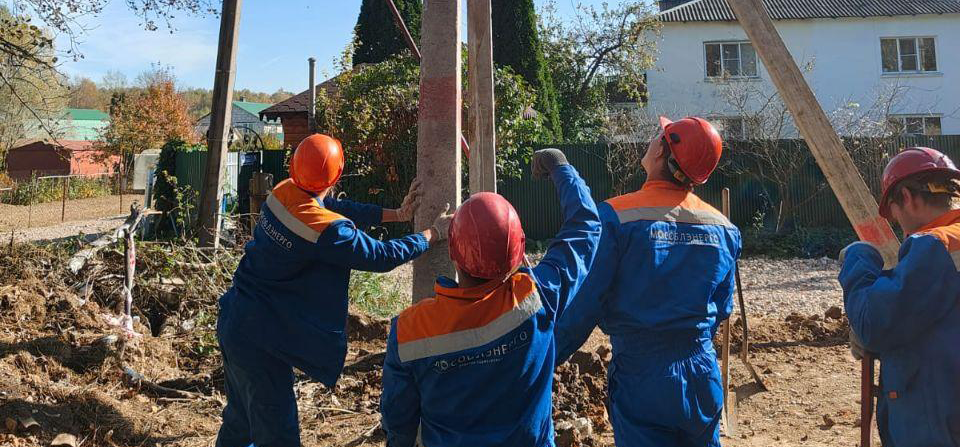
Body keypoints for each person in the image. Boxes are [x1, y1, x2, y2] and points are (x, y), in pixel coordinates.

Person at [216, 134, 444, 447]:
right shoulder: (328, 231)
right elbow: (381, 256)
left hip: (235, 318)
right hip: (262, 338)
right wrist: (432, 234)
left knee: (240, 419)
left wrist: (396, 214)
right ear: (336, 176)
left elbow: (334, 205)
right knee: (276, 433)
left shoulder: (283, 192)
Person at [379, 148, 601, 447]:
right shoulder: (537, 298)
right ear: (520, 253)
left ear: (454, 251)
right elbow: (585, 228)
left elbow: (399, 420)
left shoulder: (409, 331)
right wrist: (559, 165)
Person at [555, 116, 741, 447]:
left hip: (643, 376)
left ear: (661, 152)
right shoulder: (724, 228)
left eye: (659, 135)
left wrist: (542, 358)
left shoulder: (615, 216)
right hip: (702, 371)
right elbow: (722, 306)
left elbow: (585, 305)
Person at [838, 146, 960, 447]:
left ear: (905, 197)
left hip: (936, 418)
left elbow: (875, 324)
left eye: (891, 209)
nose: (895, 219)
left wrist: (859, 259)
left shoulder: (934, 247)